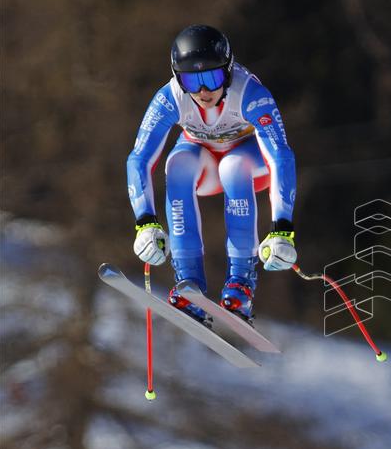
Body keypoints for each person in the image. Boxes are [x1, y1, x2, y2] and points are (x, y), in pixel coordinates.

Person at [126, 25, 297, 325]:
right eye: (193, 81)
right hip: (203, 161)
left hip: (248, 162)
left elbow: (280, 156)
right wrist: (145, 223)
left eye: (212, 78)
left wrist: (283, 229)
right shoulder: (171, 97)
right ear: (179, 78)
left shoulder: (250, 93)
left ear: (228, 72)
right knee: (177, 165)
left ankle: (241, 284)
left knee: (232, 166)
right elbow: (139, 158)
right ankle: (188, 283)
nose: (203, 91)